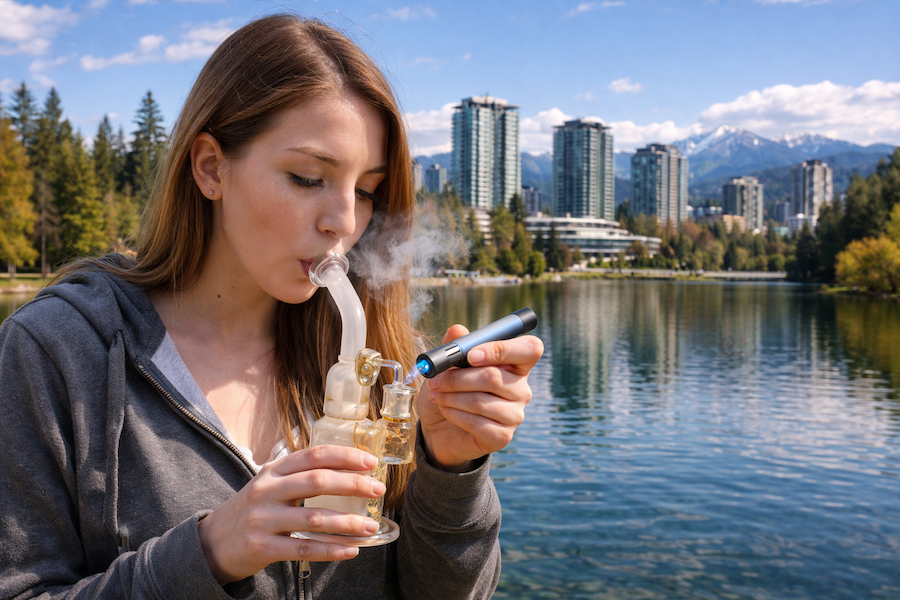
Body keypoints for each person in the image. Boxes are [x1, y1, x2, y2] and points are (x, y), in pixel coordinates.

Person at [0, 13, 543, 600]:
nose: (344, 221)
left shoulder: (378, 362)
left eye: (365, 192)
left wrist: (452, 470)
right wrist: (210, 550)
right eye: (308, 177)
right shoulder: (57, 352)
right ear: (211, 167)